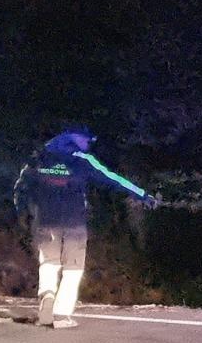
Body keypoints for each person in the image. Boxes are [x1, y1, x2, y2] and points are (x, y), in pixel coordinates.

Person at [12, 126, 158, 329]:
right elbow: (112, 178)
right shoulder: (82, 160)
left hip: (45, 219)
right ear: (75, 138)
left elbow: (21, 187)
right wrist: (141, 194)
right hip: (74, 221)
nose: (90, 144)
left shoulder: (39, 158)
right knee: (73, 268)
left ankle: (47, 295)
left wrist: (21, 212)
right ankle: (61, 314)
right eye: (87, 140)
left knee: (49, 262)